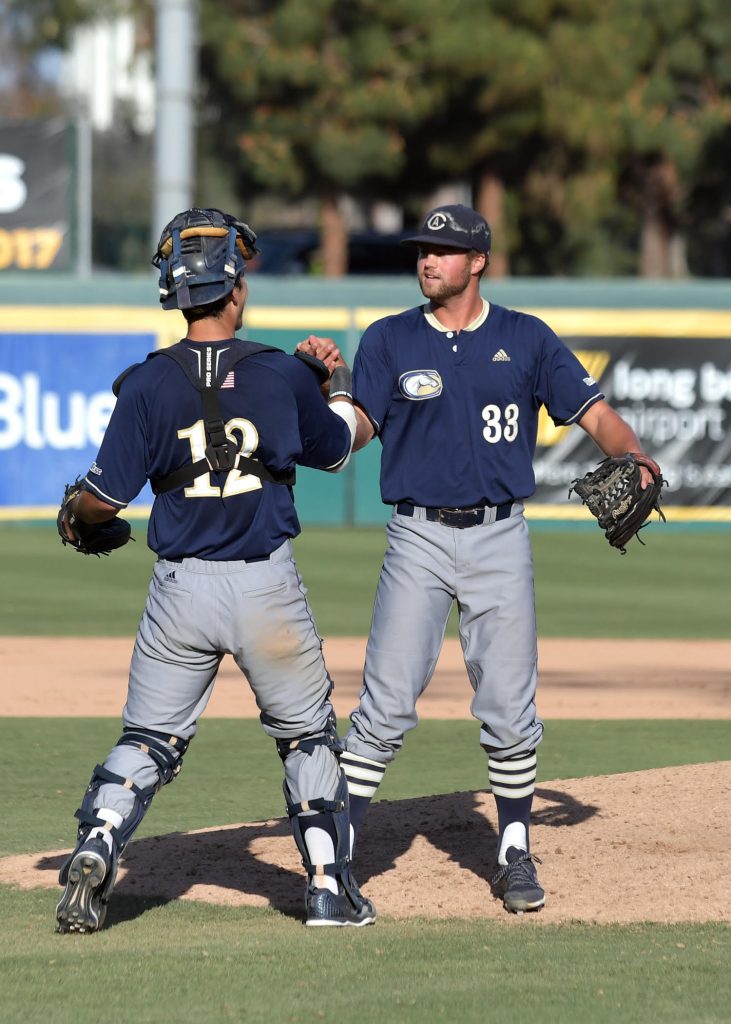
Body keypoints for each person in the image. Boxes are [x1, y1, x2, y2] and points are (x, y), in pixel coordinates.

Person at [299, 204, 661, 914]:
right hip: (417, 536)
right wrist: (334, 391)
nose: (428, 259)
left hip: (500, 536)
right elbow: (358, 431)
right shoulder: (390, 337)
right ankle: (336, 855)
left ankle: (513, 850)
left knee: (508, 704)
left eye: (443, 250)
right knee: (384, 703)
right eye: (422, 249)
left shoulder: (525, 338)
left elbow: (595, 415)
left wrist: (635, 455)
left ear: (478, 261)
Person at [55, 207, 375, 932]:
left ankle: (99, 840)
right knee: (306, 739)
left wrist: (78, 515)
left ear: (174, 294)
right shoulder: (280, 372)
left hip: (181, 589)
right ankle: (328, 889)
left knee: (146, 740)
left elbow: (103, 501)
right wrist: (336, 379)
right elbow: (340, 445)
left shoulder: (145, 383)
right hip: (265, 586)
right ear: (235, 291)